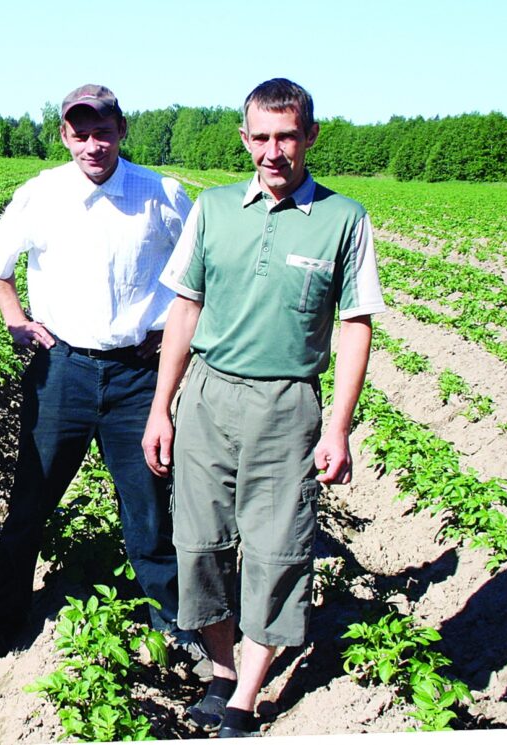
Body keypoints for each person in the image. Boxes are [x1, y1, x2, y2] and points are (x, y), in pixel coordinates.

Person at [142, 78, 386, 738]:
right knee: (199, 545)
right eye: (262, 137)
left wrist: (339, 427)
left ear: (310, 136)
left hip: (287, 404)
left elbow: (356, 325)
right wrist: (162, 407)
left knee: (278, 552)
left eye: (287, 136)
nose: (274, 151)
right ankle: (222, 671)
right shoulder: (214, 208)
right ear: (245, 138)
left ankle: (245, 698)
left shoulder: (344, 218)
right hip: (209, 396)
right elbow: (184, 310)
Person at [0, 83, 204, 663]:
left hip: (138, 376)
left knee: (149, 507)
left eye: (103, 132)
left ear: (121, 131)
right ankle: (1, 622)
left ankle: (174, 623)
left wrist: (172, 332)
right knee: (29, 503)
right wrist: (15, 320)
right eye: (80, 134)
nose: (92, 145)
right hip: (63, 371)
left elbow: (200, 274)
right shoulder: (41, 194)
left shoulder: (162, 194)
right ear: (64, 136)